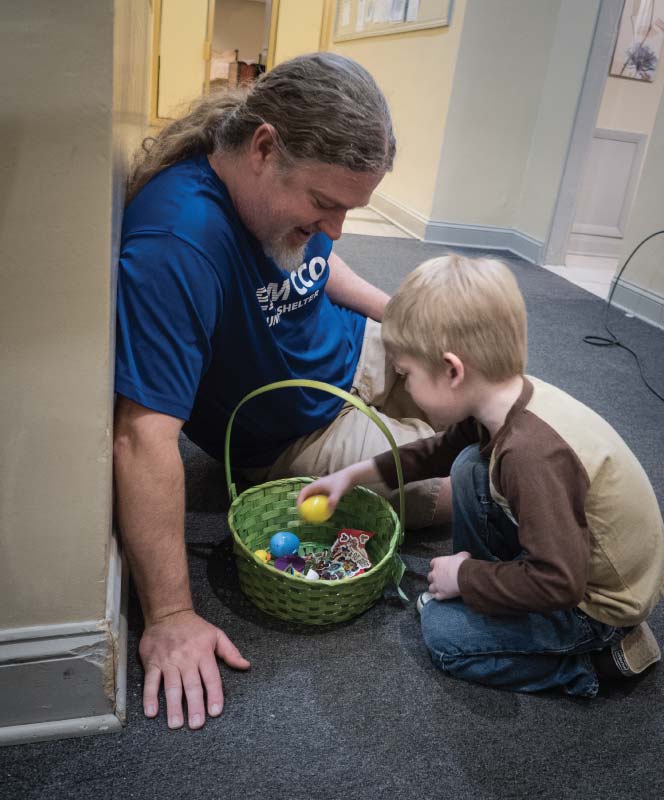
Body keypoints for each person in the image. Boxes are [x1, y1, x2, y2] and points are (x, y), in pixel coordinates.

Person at [113, 53, 450, 731]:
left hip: (352, 350)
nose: (334, 226)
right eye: (324, 204)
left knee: (503, 391)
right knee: (465, 477)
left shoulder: (276, 204)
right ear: (263, 147)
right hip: (303, 435)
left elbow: (320, 266)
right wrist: (172, 615)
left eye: (349, 209)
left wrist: (403, 322)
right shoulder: (177, 244)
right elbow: (140, 435)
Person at [298, 254, 664, 697]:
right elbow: (436, 452)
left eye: (407, 375)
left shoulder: (531, 455)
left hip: (596, 605)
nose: (406, 388)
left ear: (453, 370)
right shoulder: (503, 398)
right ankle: (495, 587)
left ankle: (599, 662)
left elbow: (560, 582)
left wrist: (468, 578)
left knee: (443, 635)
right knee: (468, 465)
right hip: (573, 559)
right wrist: (352, 475)